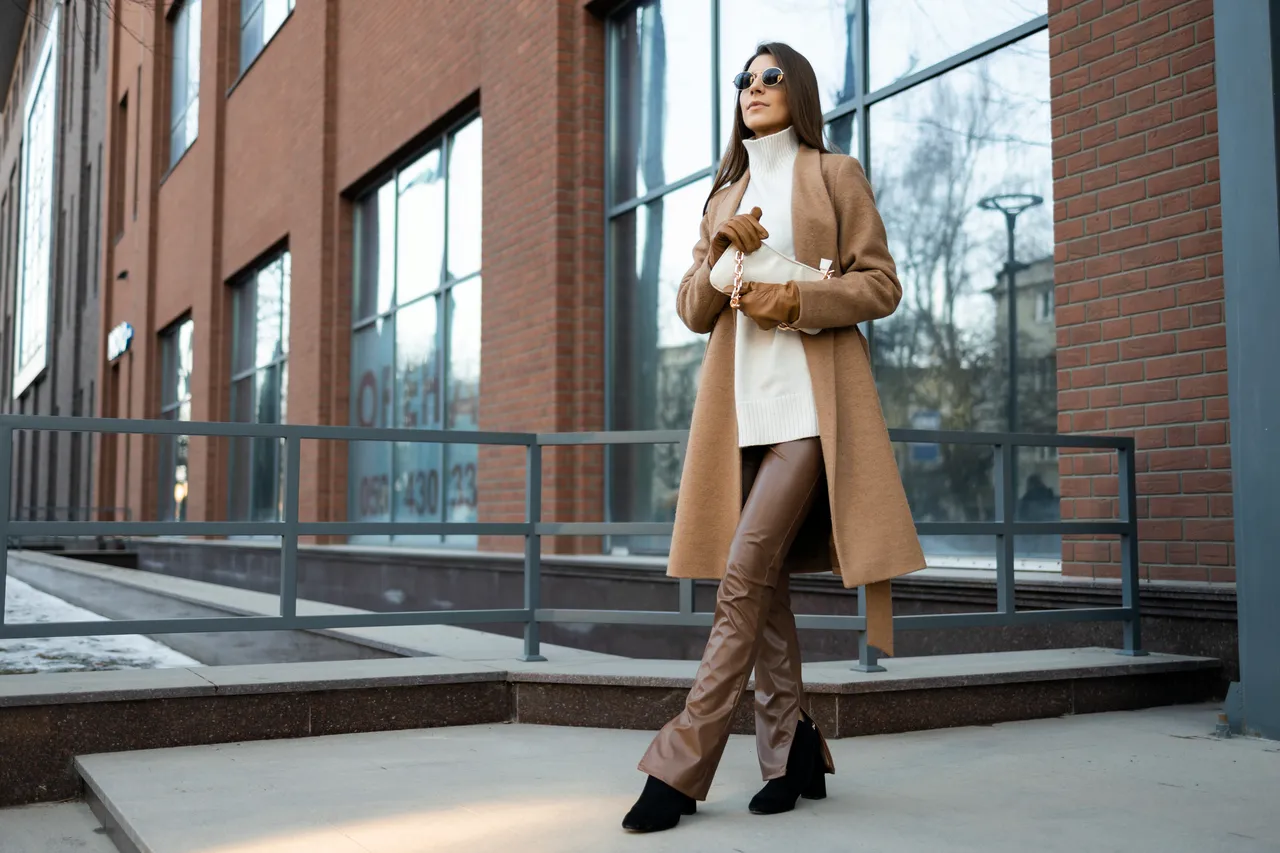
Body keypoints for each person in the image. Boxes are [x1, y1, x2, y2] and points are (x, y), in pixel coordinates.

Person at [622, 42, 926, 833]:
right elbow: (693, 309)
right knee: (767, 594)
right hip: (740, 420)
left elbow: (880, 285)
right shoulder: (723, 193)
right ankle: (792, 749)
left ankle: (681, 764)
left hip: (809, 414)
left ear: (799, 91)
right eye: (743, 79)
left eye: (770, 77)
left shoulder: (834, 174)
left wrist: (792, 295)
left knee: (741, 577)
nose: (753, 89)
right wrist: (723, 258)